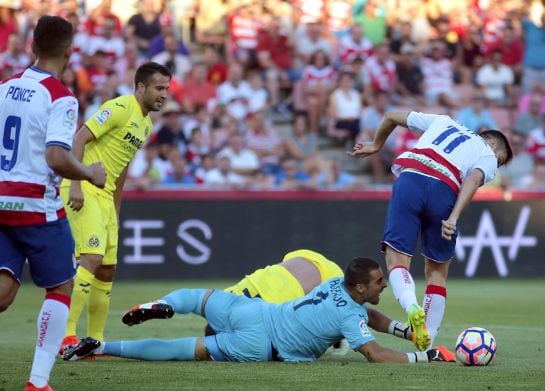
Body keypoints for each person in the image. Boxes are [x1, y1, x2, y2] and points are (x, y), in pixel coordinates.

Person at [63, 258, 455, 364]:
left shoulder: (337, 285)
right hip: (260, 344)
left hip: (254, 311)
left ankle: (166, 302)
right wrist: (424, 356)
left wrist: (404, 330)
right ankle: (104, 347)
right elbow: (374, 354)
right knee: (188, 349)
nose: (383, 286)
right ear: (358, 287)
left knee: (199, 296)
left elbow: (368, 314)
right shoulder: (349, 314)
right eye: (378, 283)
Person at [0, 15, 106, 391]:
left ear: (31, 46)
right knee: (61, 286)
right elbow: (57, 158)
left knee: (3, 293)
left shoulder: (5, 87)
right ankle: (38, 382)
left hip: (1, 200)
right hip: (35, 205)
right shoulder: (60, 97)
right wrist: (89, 173)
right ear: (69, 50)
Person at [348, 111, 513, 351]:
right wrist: (454, 217)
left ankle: (411, 306)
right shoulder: (486, 152)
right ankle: (426, 343)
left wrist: (376, 144)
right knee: (437, 271)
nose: (495, 167)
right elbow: (473, 180)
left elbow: (392, 116)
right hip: (444, 189)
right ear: (494, 143)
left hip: (411, 178)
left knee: (397, 259)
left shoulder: (443, 121)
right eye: (500, 160)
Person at [59, 62, 171, 353]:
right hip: (84, 187)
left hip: (105, 197)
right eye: (159, 88)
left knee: (107, 269)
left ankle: (93, 341)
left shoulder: (146, 124)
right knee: (92, 258)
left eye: (167, 89)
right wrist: (74, 183)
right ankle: (66, 335)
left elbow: (121, 169)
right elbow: (80, 137)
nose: (164, 95)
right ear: (141, 87)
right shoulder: (119, 107)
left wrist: (116, 210)